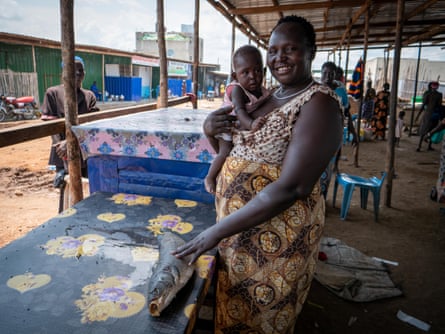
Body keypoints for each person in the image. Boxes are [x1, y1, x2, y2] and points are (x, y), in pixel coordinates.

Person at [173, 15, 343, 333]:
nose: (279, 57)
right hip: (237, 235)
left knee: (263, 318)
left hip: (277, 244)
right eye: (273, 50)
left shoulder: (319, 104)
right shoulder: (265, 98)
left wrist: (215, 232)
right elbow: (233, 150)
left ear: (311, 52)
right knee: (234, 308)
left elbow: (293, 186)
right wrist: (209, 128)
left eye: (290, 49)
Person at [204, 45, 270, 194]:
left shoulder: (264, 92)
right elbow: (239, 111)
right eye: (245, 72)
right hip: (227, 126)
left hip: (240, 131)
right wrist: (252, 124)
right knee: (225, 151)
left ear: (264, 71)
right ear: (235, 77)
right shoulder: (237, 90)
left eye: (257, 70)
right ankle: (210, 176)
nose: (252, 76)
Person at [41, 56, 99, 179]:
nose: (78, 73)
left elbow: (93, 126)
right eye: (73, 70)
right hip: (61, 152)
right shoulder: (53, 93)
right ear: (64, 73)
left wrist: (71, 142)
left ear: (84, 74)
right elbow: (51, 126)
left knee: (87, 188)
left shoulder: (89, 96)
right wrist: (61, 147)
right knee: (67, 191)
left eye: (81, 70)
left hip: (84, 151)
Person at [416, 81, 443, 151]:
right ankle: (427, 146)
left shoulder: (427, 93)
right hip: (434, 114)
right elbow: (439, 106)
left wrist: (418, 115)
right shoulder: (439, 95)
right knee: (432, 130)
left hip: (428, 114)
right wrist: (440, 116)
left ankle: (419, 146)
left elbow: (423, 105)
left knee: (425, 129)